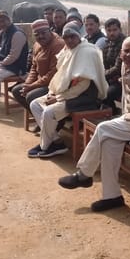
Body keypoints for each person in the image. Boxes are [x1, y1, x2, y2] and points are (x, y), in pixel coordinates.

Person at [58, 36, 130, 211]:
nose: (129, 54)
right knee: (109, 142)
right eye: (126, 51)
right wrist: (123, 116)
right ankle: (112, 196)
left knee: (102, 128)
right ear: (120, 52)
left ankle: (84, 174)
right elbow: (128, 95)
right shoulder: (125, 65)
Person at [28, 22, 108, 158]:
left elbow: (82, 86)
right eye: (66, 37)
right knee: (35, 104)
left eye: (72, 36)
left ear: (79, 36)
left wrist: (58, 98)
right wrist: (52, 93)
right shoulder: (68, 50)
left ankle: (45, 146)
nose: (69, 40)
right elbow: (60, 77)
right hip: (66, 93)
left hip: (84, 98)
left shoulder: (87, 52)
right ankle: (55, 142)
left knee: (48, 112)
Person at [10, 19, 65, 114]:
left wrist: (32, 86)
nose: (40, 36)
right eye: (37, 34)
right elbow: (34, 67)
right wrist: (28, 84)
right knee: (17, 91)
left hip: (54, 84)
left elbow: (53, 73)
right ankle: (39, 117)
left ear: (49, 31)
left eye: (43, 33)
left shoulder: (58, 45)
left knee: (30, 96)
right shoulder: (37, 44)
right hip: (40, 82)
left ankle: (53, 119)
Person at [101, 18, 126, 109]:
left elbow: (117, 68)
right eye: (109, 30)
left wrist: (102, 75)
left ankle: (111, 112)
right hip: (110, 78)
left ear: (120, 30)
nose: (112, 33)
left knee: (107, 93)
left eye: (115, 30)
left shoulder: (125, 44)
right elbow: (103, 64)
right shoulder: (107, 44)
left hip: (122, 80)